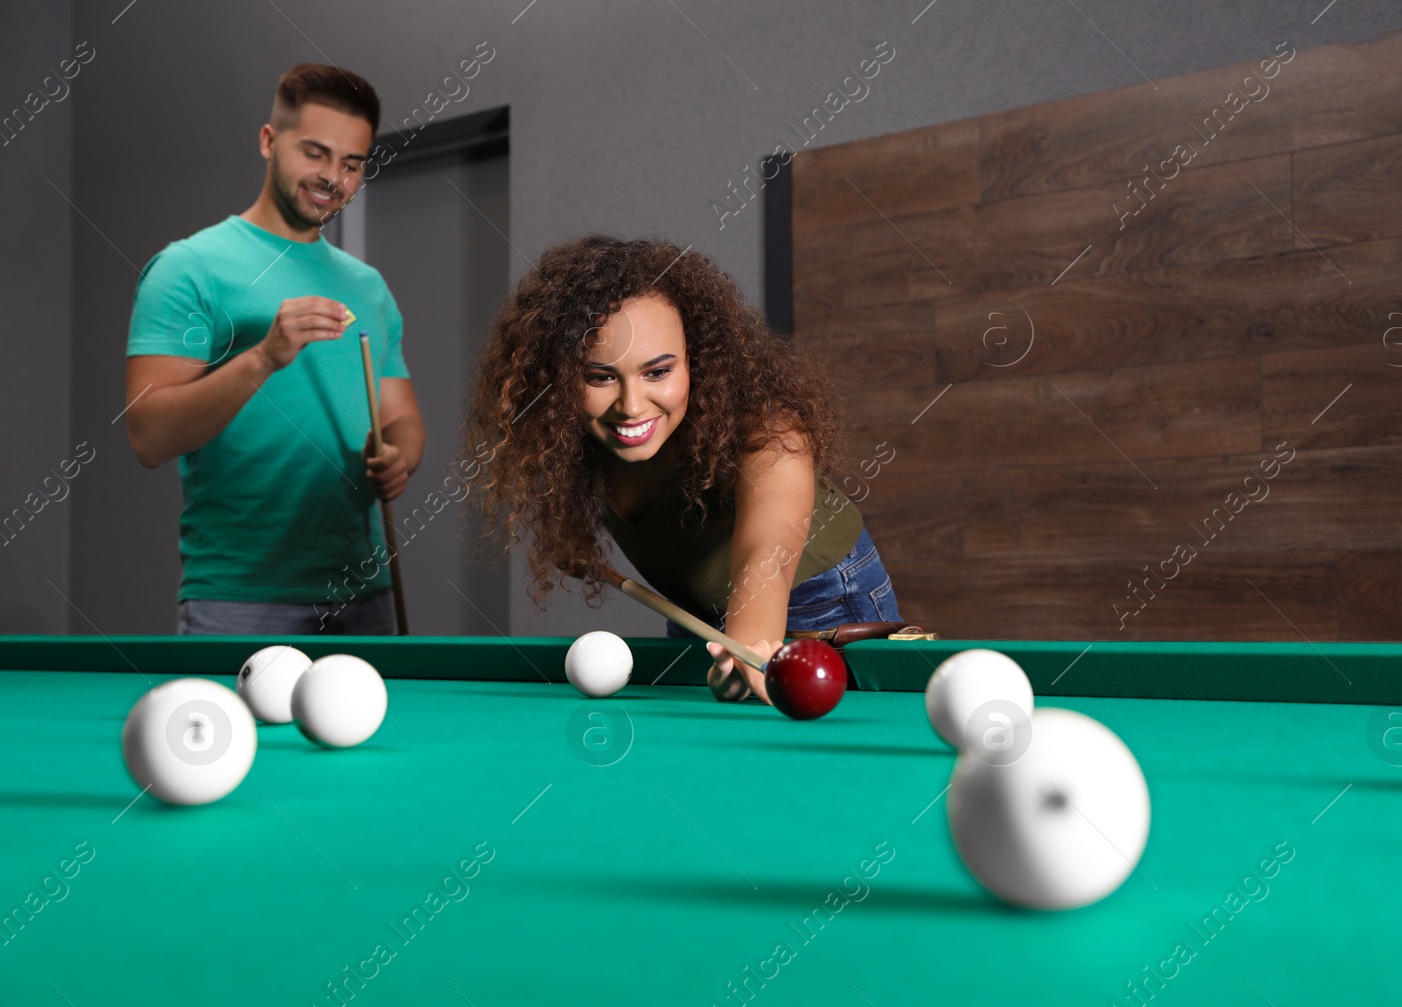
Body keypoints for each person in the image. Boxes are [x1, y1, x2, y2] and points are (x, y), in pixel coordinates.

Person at [465, 235, 902, 704]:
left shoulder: (769, 431)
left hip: (821, 610)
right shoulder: (572, 440)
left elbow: (766, 553)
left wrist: (750, 644)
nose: (631, 406)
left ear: (698, 360)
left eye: (658, 372)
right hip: (700, 619)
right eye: (600, 376)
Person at [123, 64, 424, 636]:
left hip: (365, 595)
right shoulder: (189, 268)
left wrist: (400, 457)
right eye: (315, 152)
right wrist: (262, 357)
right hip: (239, 601)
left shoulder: (369, 287)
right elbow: (148, 437)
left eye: (352, 163)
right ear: (269, 141)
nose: (332, 176)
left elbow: (402, 418)